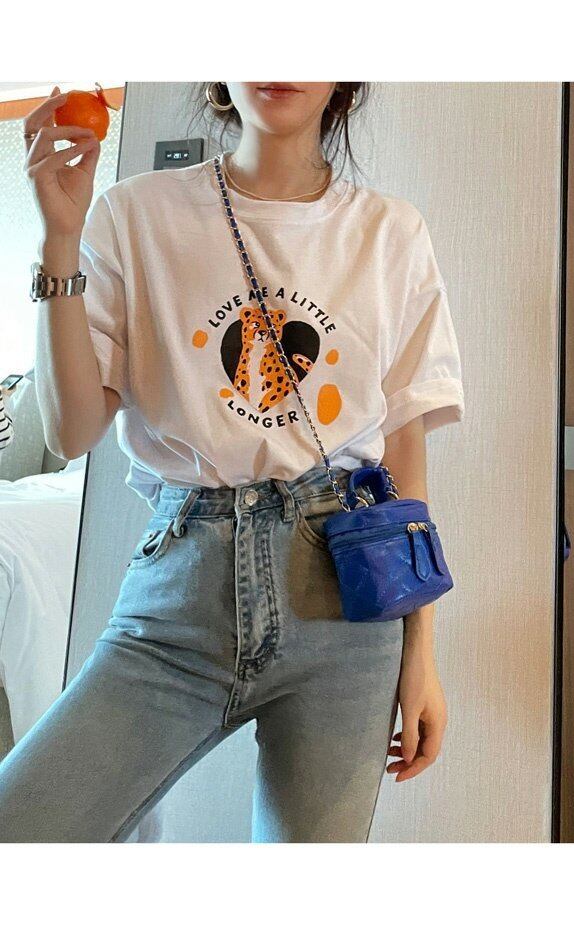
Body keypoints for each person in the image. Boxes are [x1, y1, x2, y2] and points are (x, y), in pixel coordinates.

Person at [0, 81, 465, 842]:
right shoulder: (135, 214)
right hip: (178, 601)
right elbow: (73, 429)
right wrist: (58, 240)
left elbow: (403, 451)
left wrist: (422, 651)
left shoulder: (390, 232)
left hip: (345, 608)